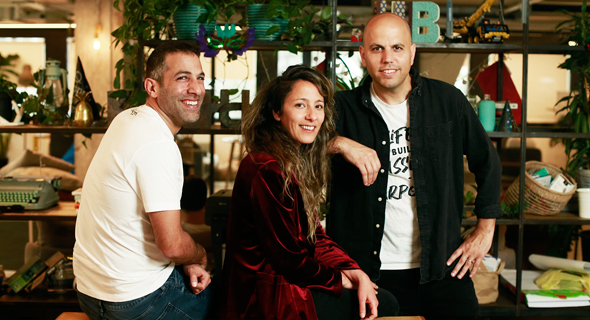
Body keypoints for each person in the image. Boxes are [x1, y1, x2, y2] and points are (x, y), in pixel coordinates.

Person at [327, 13, 503, 317]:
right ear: (363, 55)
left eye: (397, 48)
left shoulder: (448, 102)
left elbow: (487, 162)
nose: (387, 58)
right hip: (365, 272)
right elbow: (289, 146)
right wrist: (338, 143)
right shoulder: (340, 108)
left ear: (412, 52)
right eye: (377, 48)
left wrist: (486, 229)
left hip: (441, 266)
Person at [221, 65, 398, 320]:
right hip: (264, 298)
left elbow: (314, 237)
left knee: (379, 297)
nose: (312, 116)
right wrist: (342, 280)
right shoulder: (268, 169)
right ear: (276, 112)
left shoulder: (290, 160)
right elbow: (289, 260)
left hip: (284, 283)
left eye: (318, 106)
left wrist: (353, 270)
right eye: (300, 105)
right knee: (384, 304)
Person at [73, 42, 211, 320]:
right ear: (152, 87)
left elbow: (159, 233)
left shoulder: (127, 119)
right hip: (133, 302)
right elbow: (171, 245)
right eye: (182, 78)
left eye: (200, 78)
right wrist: (199, 255)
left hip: (89, 292)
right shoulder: (157, 144)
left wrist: (186, 263)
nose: (196, 88)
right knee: (223, 298)